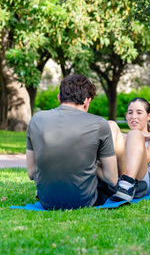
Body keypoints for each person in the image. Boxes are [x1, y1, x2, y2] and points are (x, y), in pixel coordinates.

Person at [25, 74, 119, 210]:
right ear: (87, 101)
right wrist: (91, 163)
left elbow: (31, 173)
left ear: (59, 98)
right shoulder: (99, 124)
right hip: (85, 201)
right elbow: (112, 178)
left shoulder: (36, 120)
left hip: (47, 201)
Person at [108, 97, 150, 201]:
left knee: (134, 134)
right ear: (126, 116)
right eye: (130, 113)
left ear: (148, 116)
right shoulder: (123, 136)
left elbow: (140, 159)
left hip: (140, 182)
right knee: (110, 125)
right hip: (117, 177)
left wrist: (138, 135)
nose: (133, 117)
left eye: (139, 113)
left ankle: (127, 185)